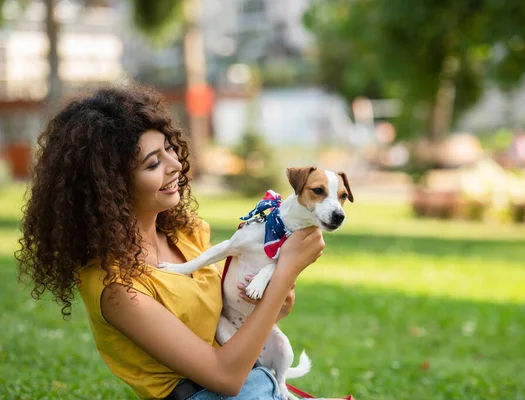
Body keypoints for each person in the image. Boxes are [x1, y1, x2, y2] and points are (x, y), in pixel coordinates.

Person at [16, 84, 334, 400]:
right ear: (110, 186)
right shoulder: (115, 287)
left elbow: (246, 318)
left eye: (170, 149)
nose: (176, 165)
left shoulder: (187, 234)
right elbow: (226, 378)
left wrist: (273, 297)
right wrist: (286, 272)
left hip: (258, 380)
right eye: (153, 163)